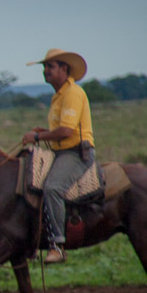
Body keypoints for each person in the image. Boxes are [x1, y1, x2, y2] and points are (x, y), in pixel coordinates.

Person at [22, 48, 94, 265]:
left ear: (64, 68)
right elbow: (60, 130)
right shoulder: (59, 95)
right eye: (44, 67)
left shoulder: (72, 93)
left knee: (53, 188)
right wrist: (43, 132)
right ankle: (33, 241)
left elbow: (66, 132)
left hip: (75, 153)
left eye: (50, 67)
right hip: (61, 151)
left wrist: (37, 136)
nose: (45, 71)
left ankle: (57, 245)